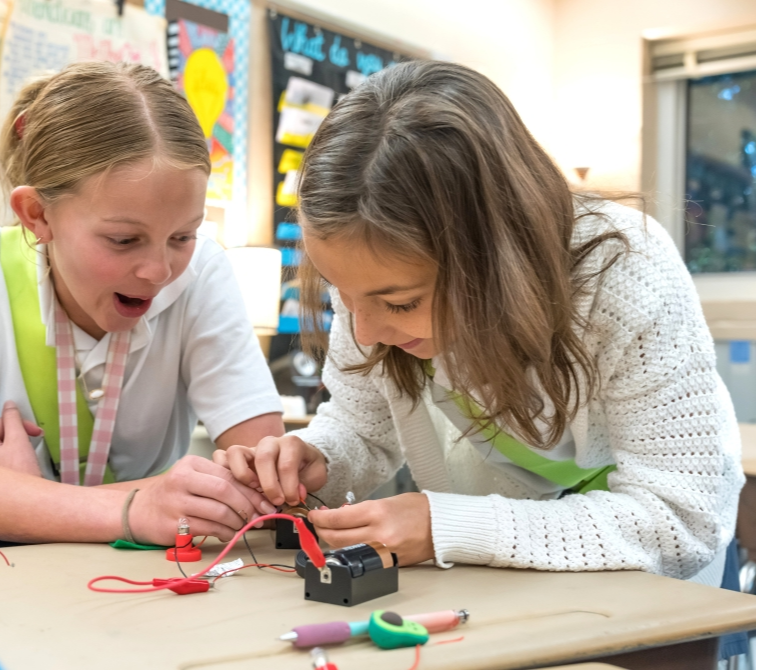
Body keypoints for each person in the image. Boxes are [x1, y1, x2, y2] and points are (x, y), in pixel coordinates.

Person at [216, 60, 744, 586]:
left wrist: (448, 524)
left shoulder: (627, 272)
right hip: (493, 580)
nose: (366, 333)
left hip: (649, 589)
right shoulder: (371, 295)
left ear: (497, 259)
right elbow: (362, 428)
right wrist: (319, 460)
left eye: (399, 304)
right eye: (346, 298)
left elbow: (678, 522)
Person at [0, 61, 284, 549]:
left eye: (183, 235)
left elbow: (262, 480)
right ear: (37, 215)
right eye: (123, 239)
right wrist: (137, 507)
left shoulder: (203, 273)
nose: (158, 270)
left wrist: (20, 498)